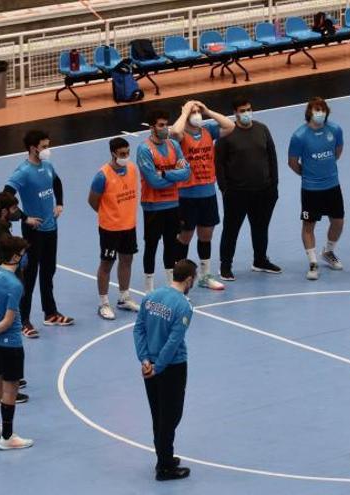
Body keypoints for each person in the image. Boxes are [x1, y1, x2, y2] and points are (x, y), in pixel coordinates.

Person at [4, 130, 73, 337]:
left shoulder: (48, 166)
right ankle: (23, 320)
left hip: (51, 227)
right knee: (31, 275)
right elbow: (6, 197)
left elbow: (57, 182)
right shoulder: (22, 172)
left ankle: (50, 313)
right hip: (33, 231)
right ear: (33, 148)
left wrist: (59, 203)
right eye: (44, 146)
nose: (47, 150)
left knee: (48, 271)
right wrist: (25, 218)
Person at [133, 259, 197, 481]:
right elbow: (173, 342)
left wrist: (145, 359)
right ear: (189, 279)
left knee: (157, 412)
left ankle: (164, 455)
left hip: (149, 366)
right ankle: (165, 467)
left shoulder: (151, 297)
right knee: (170, 416)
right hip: (171, 367)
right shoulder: (184, 306)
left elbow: (139, 328)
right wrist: (159, 366)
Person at [215, 96, 281, 281]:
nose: (246, 113)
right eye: (242, 111)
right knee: (231, 230)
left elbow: (272, 157)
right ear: (235, 113)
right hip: (236, 193)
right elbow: (218, 164)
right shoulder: (226, 134)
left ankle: (260, 260)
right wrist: (224, 189)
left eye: (248, 109)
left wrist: (273, 185)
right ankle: (225, 266)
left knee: (261, 228)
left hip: (264, 191)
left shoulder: (262, 129)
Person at [170, 100, 234, 290]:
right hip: (186, 194)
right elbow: (174, 132)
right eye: (194, 112)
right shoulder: (180, 136)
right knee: (185, 237)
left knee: (206, 235)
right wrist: (184, 112)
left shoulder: (208, 131)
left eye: (198, 112)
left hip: (207, 191)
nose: (197, 115)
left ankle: (205, 276)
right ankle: (179, 278)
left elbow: (229, 126)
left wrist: (208, 110)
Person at [0, 235, 34, 450]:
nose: (24, 257)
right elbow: (9, 321)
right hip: (10, 343)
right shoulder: (14, 284)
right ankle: (8, 437)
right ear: (15, 256)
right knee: (10, 389)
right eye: (23, 254)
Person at [288, 97, 345, 280]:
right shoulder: (299, 136)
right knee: (308, 225)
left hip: (332, 185)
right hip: (311, 189)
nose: (319, 113)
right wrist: (308, 175)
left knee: (338, 221)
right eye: (316, 110)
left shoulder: (335, 129)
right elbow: (292, 162)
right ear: (309, 112)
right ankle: (313, 262)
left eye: (322, 109)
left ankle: (328, 252)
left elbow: (337, 150)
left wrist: (326, 168)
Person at [136, 110, 192, 292]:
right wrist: (174, 176)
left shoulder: (174, 145)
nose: (165, 128)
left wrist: (166, 173)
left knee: (170, 245)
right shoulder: (144, 149)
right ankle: (148, 289)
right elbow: (153, 181)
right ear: (152, 127)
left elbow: (187, 172)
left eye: (166, 124)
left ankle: (172, 287)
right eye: (161, 125)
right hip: (153, 206)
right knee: (151, 246)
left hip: (172, 204)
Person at [88, 138, 142, 320]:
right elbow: (93, 201)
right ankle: (103, 303)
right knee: (106, 264)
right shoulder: (102, 175)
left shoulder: (133, 169)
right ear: (113, 154)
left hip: (129, 226)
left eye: (127, 153)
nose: (125, 157)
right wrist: (109, 214)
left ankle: (124, 297)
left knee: (127, 260)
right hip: (110, 228)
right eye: (122, 154)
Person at [0, 191, 30, 403]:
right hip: (5, 286)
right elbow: (8, 247)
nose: (16, 213)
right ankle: (10, 385)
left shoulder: (2, 227)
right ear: (4, 211)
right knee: (9, 329)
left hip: (4, 283)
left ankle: (10, 378)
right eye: (13, 210)